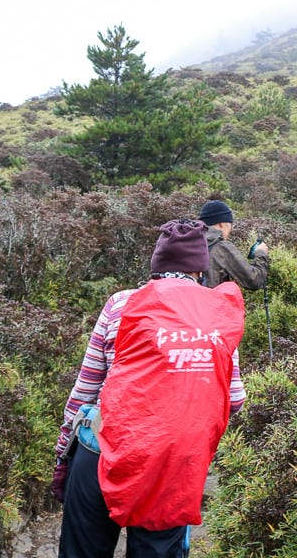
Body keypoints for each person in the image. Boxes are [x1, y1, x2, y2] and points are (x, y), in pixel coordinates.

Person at [52, 219, 246, 558]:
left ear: (156, 265)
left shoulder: (120, 303)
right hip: (170, 462)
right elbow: (235, 399)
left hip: (99, 449)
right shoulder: (216, 312)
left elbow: (85, 390)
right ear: (200, 270)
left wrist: (61, 458)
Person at [197, 200, 270, 290]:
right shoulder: (222, 247)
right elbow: (254, 280)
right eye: (230, 225)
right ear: (221, 224)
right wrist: (261, 253)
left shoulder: (189, 242)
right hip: (210, 302)